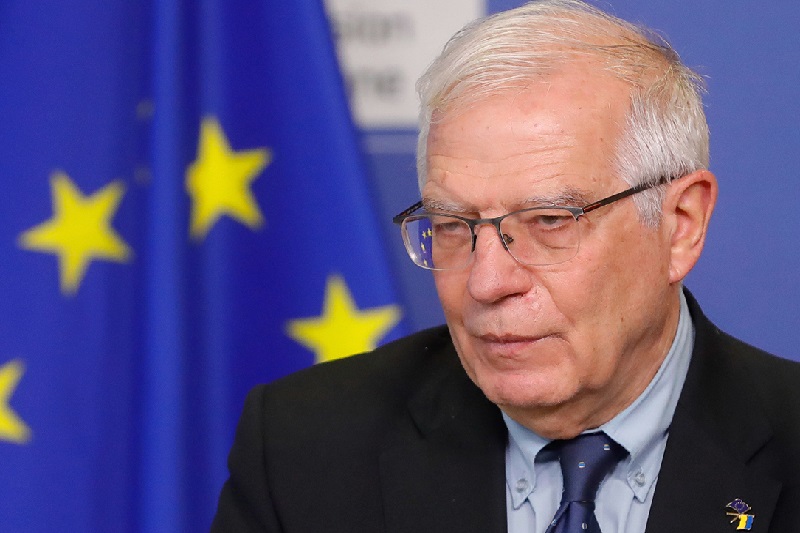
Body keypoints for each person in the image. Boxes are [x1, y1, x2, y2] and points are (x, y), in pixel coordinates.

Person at [212, 1, 800, 531]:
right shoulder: (304, 448)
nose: (487, 282)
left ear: (680, 225)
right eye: (451, 225)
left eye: (549, 221)